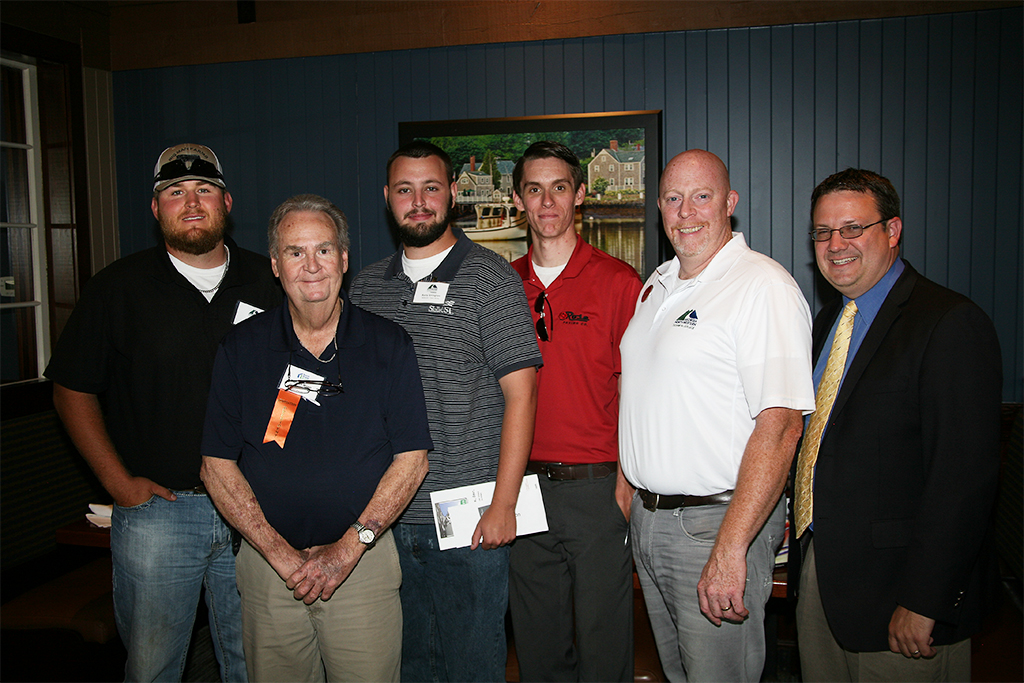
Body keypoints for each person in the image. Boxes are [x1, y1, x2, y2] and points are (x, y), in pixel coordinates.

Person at [45, 143, 282, 682]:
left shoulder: (270, 279)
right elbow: (71, 389)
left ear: (227, 202)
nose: (191, 202)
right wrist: (118, 482)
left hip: (257, 512)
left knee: (255, 666)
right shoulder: (117, 288)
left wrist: (274, 451)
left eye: (203, 191)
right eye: (175, 192)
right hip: (161, 514)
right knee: (153, 668)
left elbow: (302, 374)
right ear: (156, 210)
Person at [199, 194, 432, 682]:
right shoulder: (241, 349)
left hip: (361, 566)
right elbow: (215, 465)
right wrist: (278, 554)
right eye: (295, 252)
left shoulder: (388, 345)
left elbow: (412, 460)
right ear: (275, 265)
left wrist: (348, 548)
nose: (311, 266)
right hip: (268, 570)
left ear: (344, 260)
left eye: (323, 250)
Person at [791, 168, 1002, 682]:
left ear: (893, 230)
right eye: (823, 232)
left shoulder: (949, 322)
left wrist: (926, 600)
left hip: (900, 600)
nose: (835, 244)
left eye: (853, 228)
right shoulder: (827, 325)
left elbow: (964, 481)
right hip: (821, 575)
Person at [618, 149, 815, 682]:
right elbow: (645, 388)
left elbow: (781, 426)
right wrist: (628, 482)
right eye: (673, 199)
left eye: (701, 197)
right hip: (651, 521)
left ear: (729, 202)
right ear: (659, 207)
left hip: (717, 525)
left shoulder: (761, 286)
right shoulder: (657, 283)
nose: (687, 212)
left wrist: (732, 548)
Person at [348, 140, 541, 682]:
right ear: (388, 198)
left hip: (469, 517)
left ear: (453, 193)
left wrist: (504, 504)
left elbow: (522, 394)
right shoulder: (365, 288)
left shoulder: (490, 278)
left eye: (431, 188)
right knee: (406, 667)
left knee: (472, 666)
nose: (419, 201)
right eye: (405, 190)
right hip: (383, 518)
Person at [506, 141, 641, 682]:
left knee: (605, 652)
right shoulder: (499, 286)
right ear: (518, 199)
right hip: (522, 491)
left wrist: (628, 479)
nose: (546, 202)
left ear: (579, 195)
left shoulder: (619, 283)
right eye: (534, 190)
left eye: (558, 188)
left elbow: (641, 391)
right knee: (538, 651)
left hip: (597, 490)